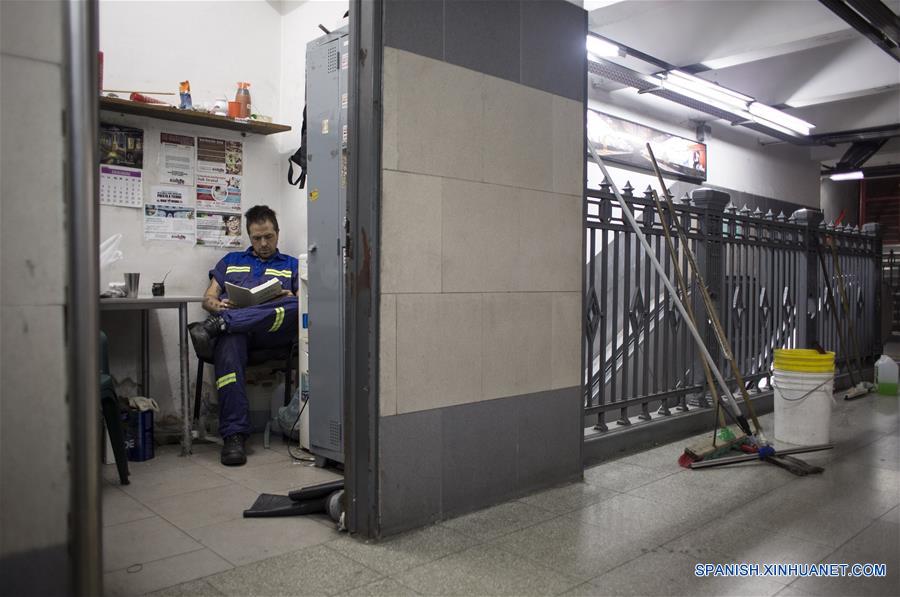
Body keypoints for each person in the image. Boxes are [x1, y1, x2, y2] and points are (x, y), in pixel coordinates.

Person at [189, 205, 299, 465]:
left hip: (270, 332)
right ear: (249, 237)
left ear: (278, 233)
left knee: (296, 304)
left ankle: (224, 323)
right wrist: (220, 306)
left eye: (268, 237)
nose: (263, 243)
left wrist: (286, 296)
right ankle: (234, 436)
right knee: (229, 344)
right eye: (257, 238)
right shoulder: (231, 261)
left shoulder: (292, 265)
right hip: (237, 335)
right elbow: (208, 299)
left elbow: (300, 305)